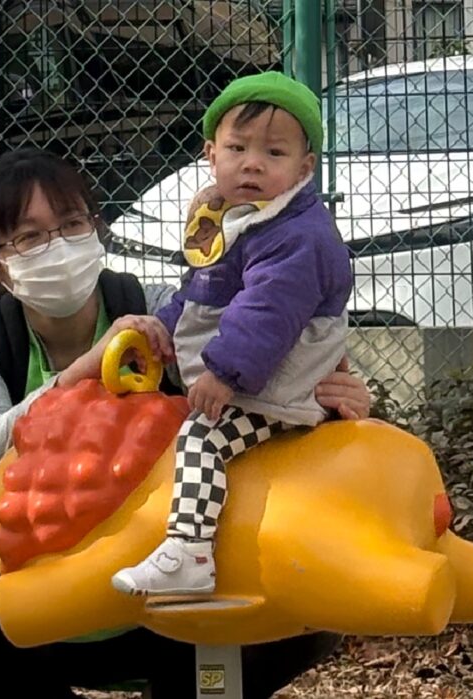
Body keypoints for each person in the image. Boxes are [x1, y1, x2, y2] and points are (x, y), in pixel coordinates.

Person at [0, 147, 370, 699]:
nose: (59, 245)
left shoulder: (159, 310)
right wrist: (89, 366)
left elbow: (254, 375)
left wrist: (323, 400)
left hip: (170, 604)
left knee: (315, 589)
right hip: (34, 608)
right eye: (30, 237)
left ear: (97, 229)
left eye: (72, 224)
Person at [112, 71, 353, 598]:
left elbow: (268, 312)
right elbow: (204, 288)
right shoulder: (237, 218)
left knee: (202, 437)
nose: (252, 163)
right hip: (249, 378)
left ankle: (190, 551)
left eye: (274, 153)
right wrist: (165, 326)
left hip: (271, 389)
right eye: (238, 148)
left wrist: (225, 372)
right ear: (210, 153)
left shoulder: (298, 235)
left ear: (305, 168)